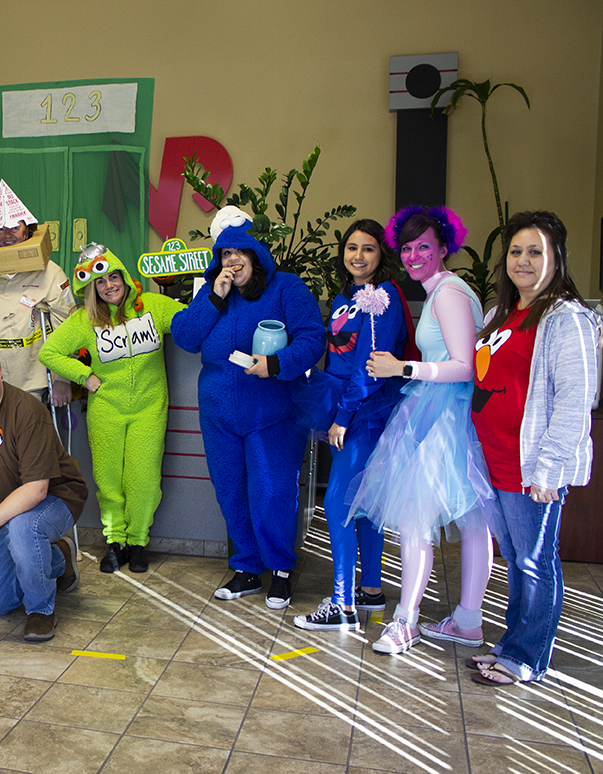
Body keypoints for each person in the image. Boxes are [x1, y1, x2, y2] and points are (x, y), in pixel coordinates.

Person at [349, 206, 500, 655]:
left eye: (424, 247)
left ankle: (405, 621)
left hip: (442, 418)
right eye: (408, 247)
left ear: (444, 248)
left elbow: (464, 366)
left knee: (416, 521)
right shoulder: (450, 291)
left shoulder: (449, 294)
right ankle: (468, 622)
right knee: (472, 522)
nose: (414, 256)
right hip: (446, 414)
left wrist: (404, 366)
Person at [464, 211, 600, 684]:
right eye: (516, 251)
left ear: (556, 258)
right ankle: (509, 643)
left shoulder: (567, 320)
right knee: (517, 559)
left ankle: (527, 657)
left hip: (530, 468)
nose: (523, 261)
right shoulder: (501, 314)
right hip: (494, 461)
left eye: (535, 251)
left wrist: (549, 470)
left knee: (534, 561)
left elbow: (575, 399)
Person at [171, 206, 325, 609]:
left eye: (239, 252)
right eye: (224, 254)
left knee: (272, 492)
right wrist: (214, 298)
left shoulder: (285, 288)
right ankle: (246, 568)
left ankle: (280, 570)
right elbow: (186, 336)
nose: (232, 260)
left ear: (255, 254)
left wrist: (276, 364)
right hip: (219, 413)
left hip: (271, 412)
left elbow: (312, 338)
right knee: (230, 491)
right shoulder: (211, 293)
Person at [290, 220, 412, 631]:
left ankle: (342, 605)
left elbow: (370, 364)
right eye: (351, 247)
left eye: (369, 249)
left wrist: (342, 416)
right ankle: (371, 592)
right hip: (340, 400)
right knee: (363, 502)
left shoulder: (384, 296)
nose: (358, 256)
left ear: (382, 255)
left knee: (338, 503)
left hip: (364, 409)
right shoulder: (347, 294)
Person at [40, 243, 185, 574]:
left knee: (144, 479)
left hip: (149, 407)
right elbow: (50, 352)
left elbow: (190, 322)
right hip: (106, 409)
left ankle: (137, 542)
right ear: (92, 289)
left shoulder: (152, 306)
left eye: (113, 277)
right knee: (108, 481)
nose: (108, 286)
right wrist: (84, 376)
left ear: (123, 276)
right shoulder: (85, 320)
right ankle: (115, 543)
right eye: (100, 283)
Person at [0, 342, 87, 642]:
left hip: (56, 498)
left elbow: (36, 490)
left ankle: (41, 610)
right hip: (5, 512)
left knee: (25, 527)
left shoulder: (27, 410)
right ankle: (59, 557)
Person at [0, 181, 75, 406]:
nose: (7, 234)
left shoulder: (51, 273)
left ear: (27, 232)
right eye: (0, 228)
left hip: (33, 374)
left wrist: (63, 379)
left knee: (27, 436)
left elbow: (68, 328)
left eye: (14, 227)